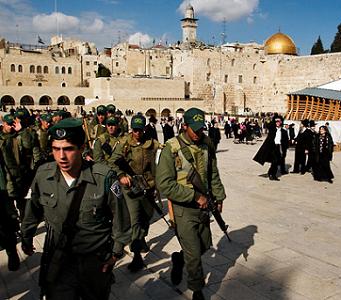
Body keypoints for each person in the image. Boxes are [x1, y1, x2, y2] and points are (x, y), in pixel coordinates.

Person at [21, 118, 131, 300]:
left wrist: (116, 252)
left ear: (81, 149)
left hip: (94, 262)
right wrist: (26, 236)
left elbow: (121, 217)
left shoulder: (104, 177)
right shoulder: (43, 175)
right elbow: (32, 209)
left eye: (68, 149)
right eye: (56, 149)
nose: (61, 156)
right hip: (60, 261)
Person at [156, 107, 226, 300]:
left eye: (201, 129)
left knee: (204, 245)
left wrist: (218, 196)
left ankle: (179, 259)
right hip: (183, 208)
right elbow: (164, 184)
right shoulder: (171, 148)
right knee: (194, 255)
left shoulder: (206, 143)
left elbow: (213, 172)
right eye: (194, 129)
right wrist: (194, 196)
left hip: (204, 206)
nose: (198, 133)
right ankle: (197, 290)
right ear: (184, 126)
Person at [109, 114, 161, 272]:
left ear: (145, 129)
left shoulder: (150, 143)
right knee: (135, 219)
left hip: (148, 186)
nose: (137, 133)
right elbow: (112, 162)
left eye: (140, 130)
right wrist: (121, 175)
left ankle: (142, 238)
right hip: (131, 187)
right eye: (135, 130)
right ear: (132, 129)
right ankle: (136, 254)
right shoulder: (124, 143)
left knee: (147, 215)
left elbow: (163, 151)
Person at [0, 114, 21, 271]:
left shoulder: (2, 142)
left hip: (2, 190)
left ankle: (12, 252)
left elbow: (10, 165)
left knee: (7, 225)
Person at [253, 116, 289, 181]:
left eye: (279, 122)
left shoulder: (283, 131)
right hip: (272, 147)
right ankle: (272, 174)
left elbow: (286, 140)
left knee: (276, 162)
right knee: (274, 161)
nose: (277, 123)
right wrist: (272, 119)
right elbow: (268, 125)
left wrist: (285, 148)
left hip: (279, 147)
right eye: (276, 121)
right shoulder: (272, 129)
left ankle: (272, 173)